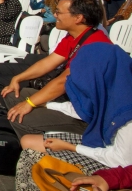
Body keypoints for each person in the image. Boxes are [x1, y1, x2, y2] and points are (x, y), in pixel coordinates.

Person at [15, 42, 132, 188]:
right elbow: (85, 108)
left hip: (116, 166)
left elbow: (121, 160)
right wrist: (47, 104)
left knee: (33, 156)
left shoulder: (127, 116)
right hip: (102, 142)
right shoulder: (117, 85)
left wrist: (72, 147)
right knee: (28, 141)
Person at [0, 0, 110, 138]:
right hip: (72, 100)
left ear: (78, 18)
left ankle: (36, 151)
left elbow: (63, 81)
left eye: (59, 12)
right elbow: (49, 62)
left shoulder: (95, 44)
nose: (55, 15)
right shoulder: (75, 36)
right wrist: (17, 78)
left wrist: (30, 104)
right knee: (11, 93)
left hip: (86, 116)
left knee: (22, 117)